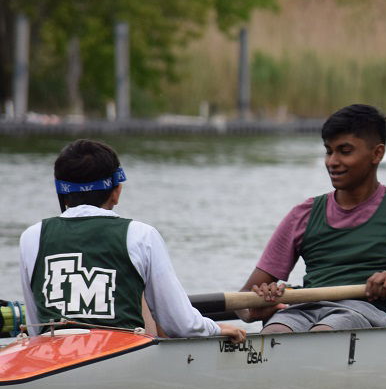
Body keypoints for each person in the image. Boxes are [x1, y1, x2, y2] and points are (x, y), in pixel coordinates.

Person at [240, 104, 386, 332]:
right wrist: (254, 310)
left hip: (365, 312)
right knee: (275, 331)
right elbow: (243, 300)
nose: (332, 161)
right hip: (305, 309)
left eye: (345, 151)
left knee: (325, 332)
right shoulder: (303, 214)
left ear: (377, 153)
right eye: (329, 151)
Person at [18, 139, 246, 342]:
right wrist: (216, 329)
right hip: (121, 358)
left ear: (62, 194)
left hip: (49, 356)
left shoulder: (32, 236)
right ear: (116, 192)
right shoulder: (141, 236)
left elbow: (34, 326)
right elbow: (179, 323)